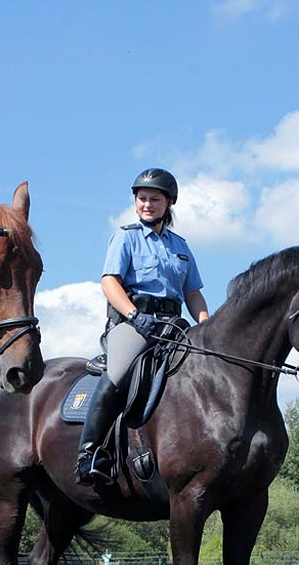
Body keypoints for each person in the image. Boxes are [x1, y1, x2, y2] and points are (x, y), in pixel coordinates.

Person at [75, 168, 210, 485]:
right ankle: (89, 454)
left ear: (169, 203)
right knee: (118, 373)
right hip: (135, 323)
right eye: (142, 198)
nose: (147, 204)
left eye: (154, 199)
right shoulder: (126, 237)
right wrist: (134, 315)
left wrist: (205, 325)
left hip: (174, 324)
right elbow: (110, 282)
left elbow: (193, 293)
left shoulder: (180, 246)